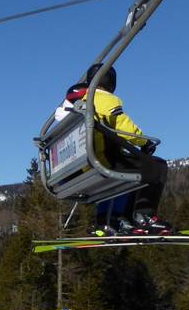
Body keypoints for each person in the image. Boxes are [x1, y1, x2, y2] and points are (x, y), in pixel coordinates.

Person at [57, 64, 171, 236]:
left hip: (79, 168)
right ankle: (144, 216)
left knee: (125, 172)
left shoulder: (76, 105)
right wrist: (144, 142)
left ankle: (108, 220)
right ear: (110, 81)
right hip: (99, 161)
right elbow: (123, 125)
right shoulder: (102, 98)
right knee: (156, 166)